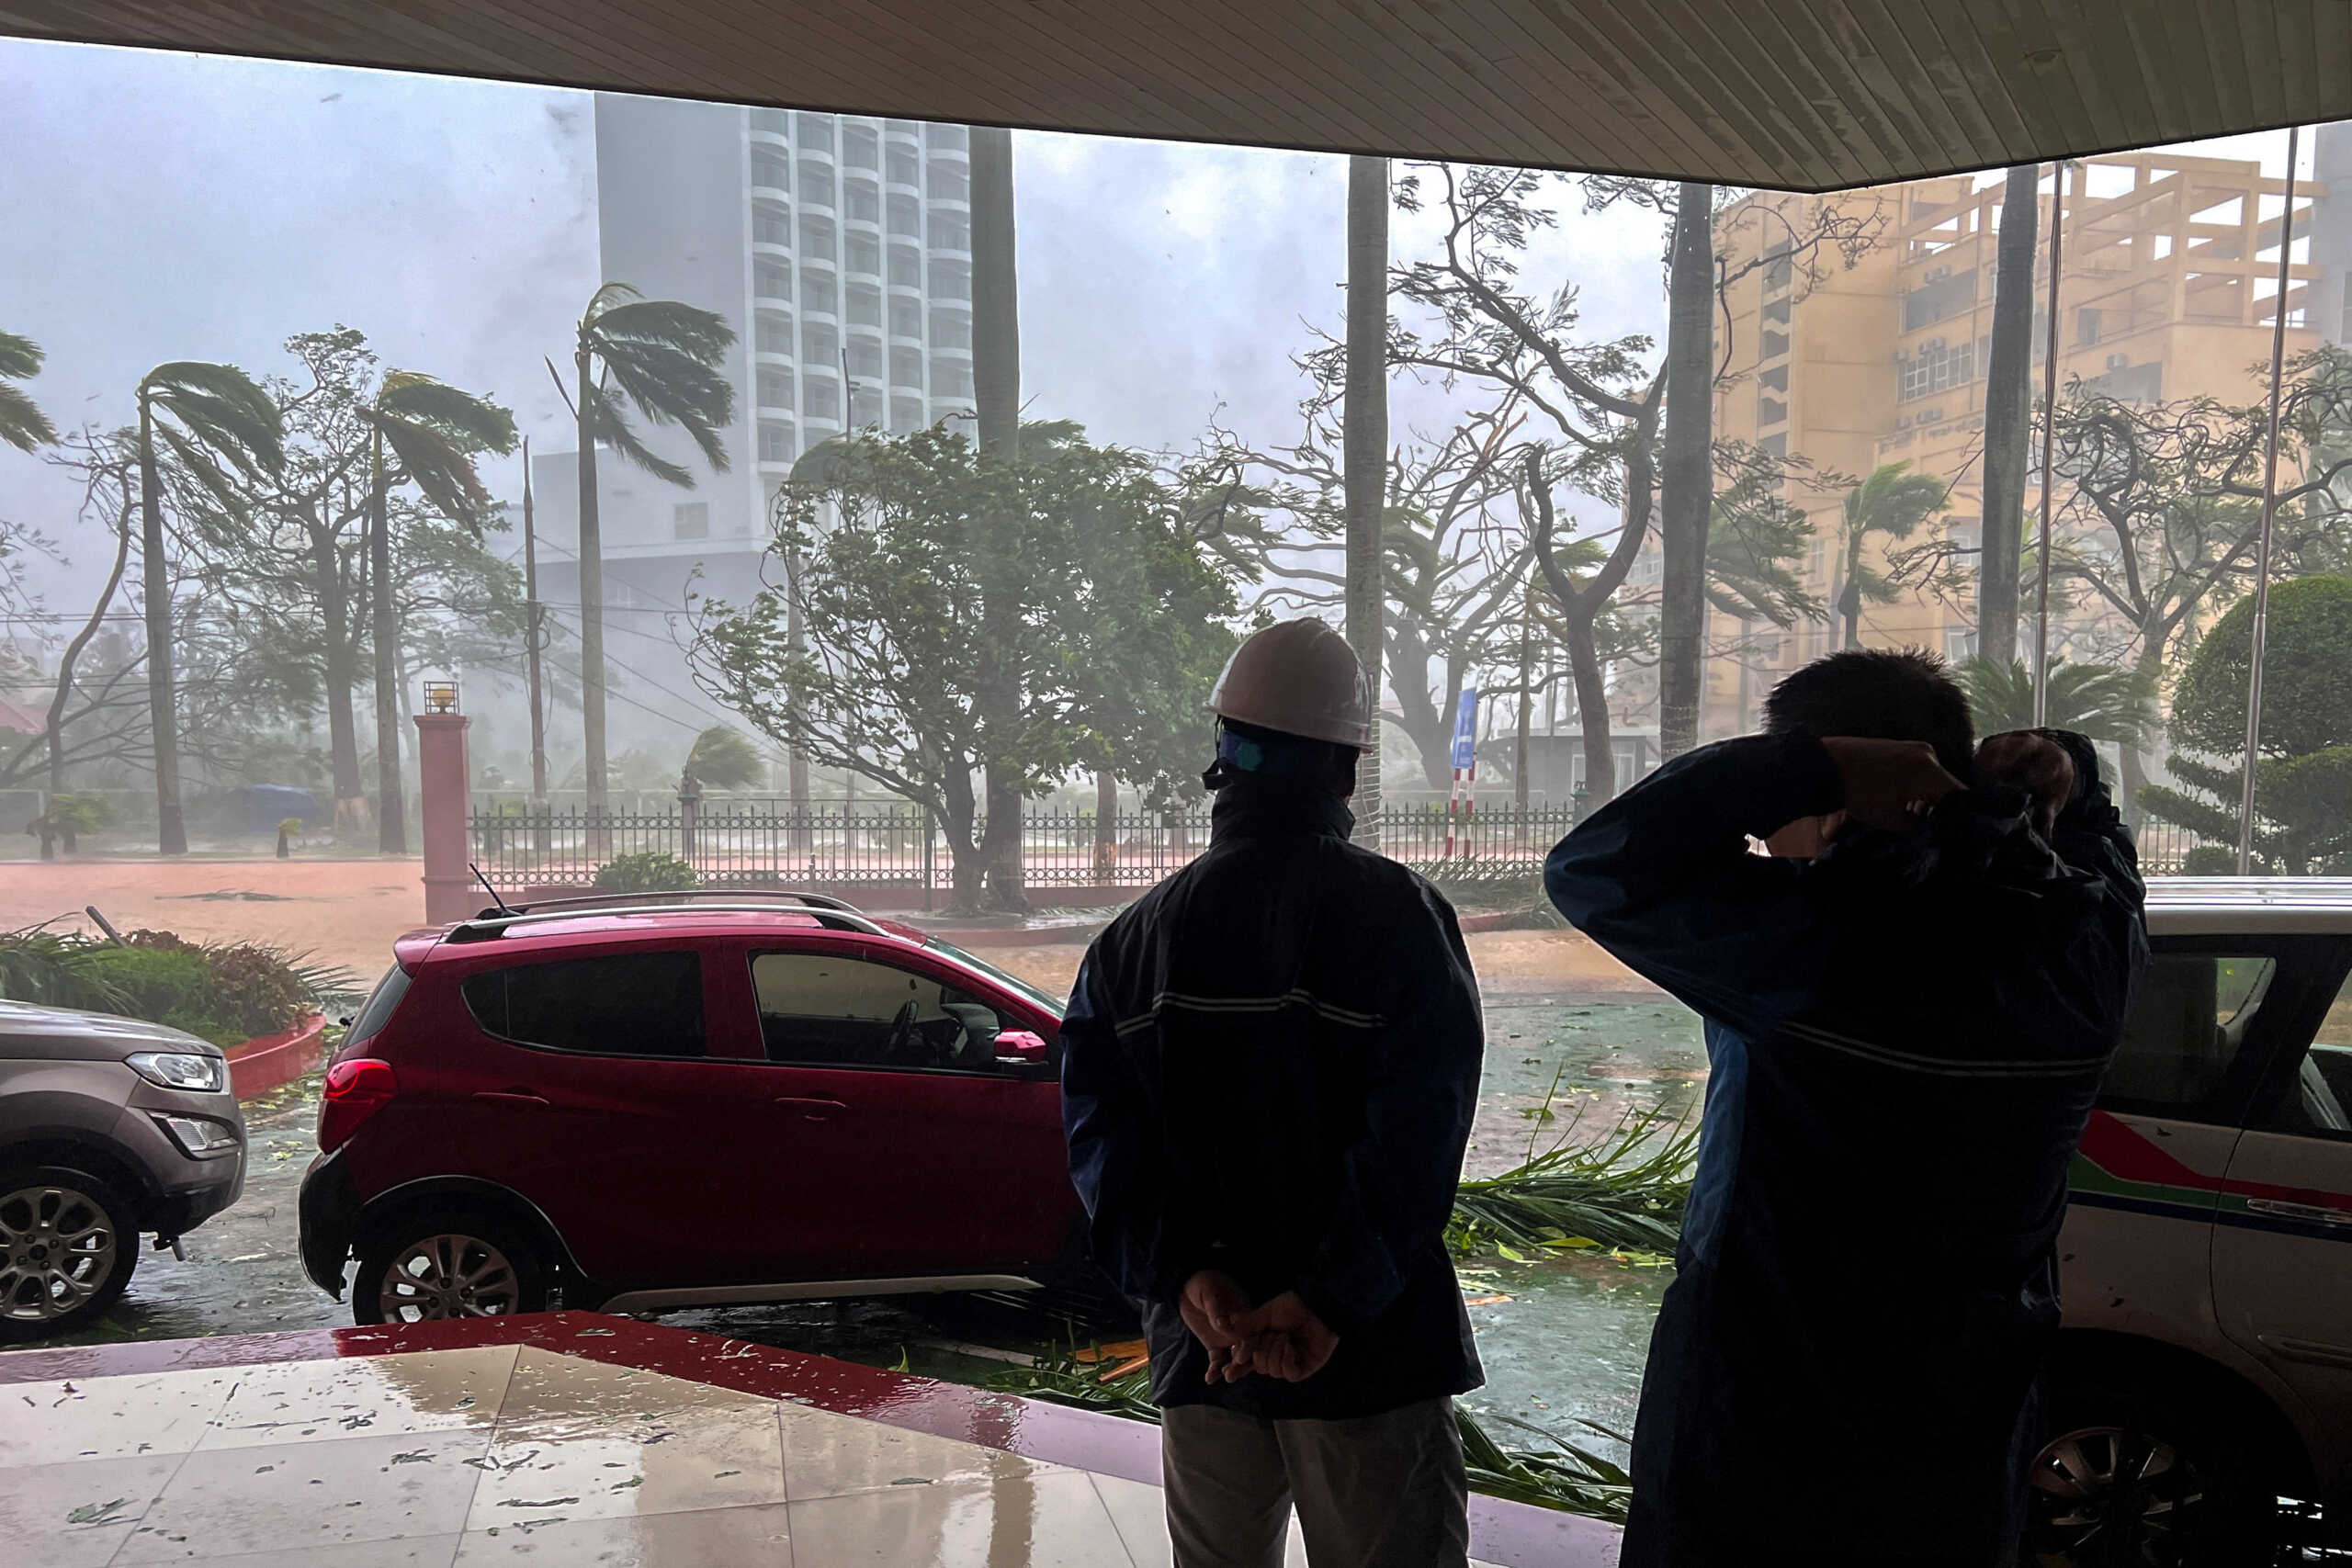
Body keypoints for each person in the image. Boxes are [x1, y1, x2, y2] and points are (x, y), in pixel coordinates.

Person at [1545, 648, 2146, 1567]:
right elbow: (2098, 851)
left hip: (1756, 1425)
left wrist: (1816, 767)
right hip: (1966, 1429)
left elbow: (1592, 866)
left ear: (1836, 796)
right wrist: (2055, 766)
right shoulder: (2084, 960)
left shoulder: (1801, 949)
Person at [1061, 617, 1487, 1568]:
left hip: (1202, 1353)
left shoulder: (1130, 941)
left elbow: (1101, 1144)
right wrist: (1327, 1301)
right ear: (1345, 772)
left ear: (1224, 759)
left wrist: (1185, 1282)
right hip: (1365, 1357)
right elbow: (1419, 1137)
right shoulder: (1398, 915)